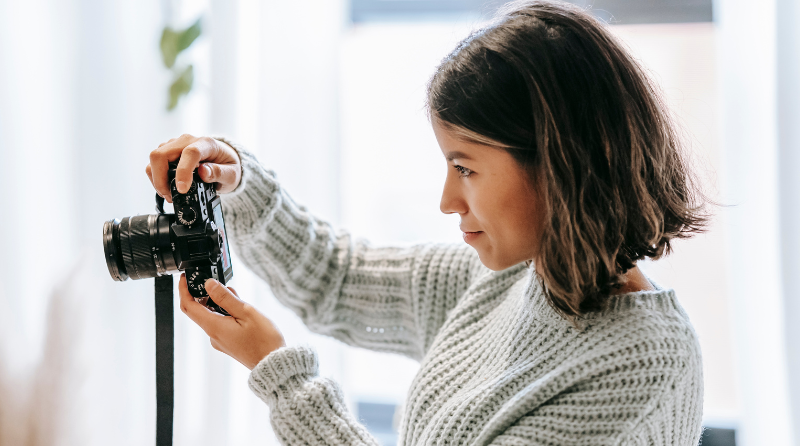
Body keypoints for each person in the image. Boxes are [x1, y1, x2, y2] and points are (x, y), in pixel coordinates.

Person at [145, 1, 708, 444]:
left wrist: (281, 376)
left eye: (466, 168)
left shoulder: (643, 369)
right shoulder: (514, 279)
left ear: (561, 162)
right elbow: (337, 278)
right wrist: (237, 178)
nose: (448, 200)